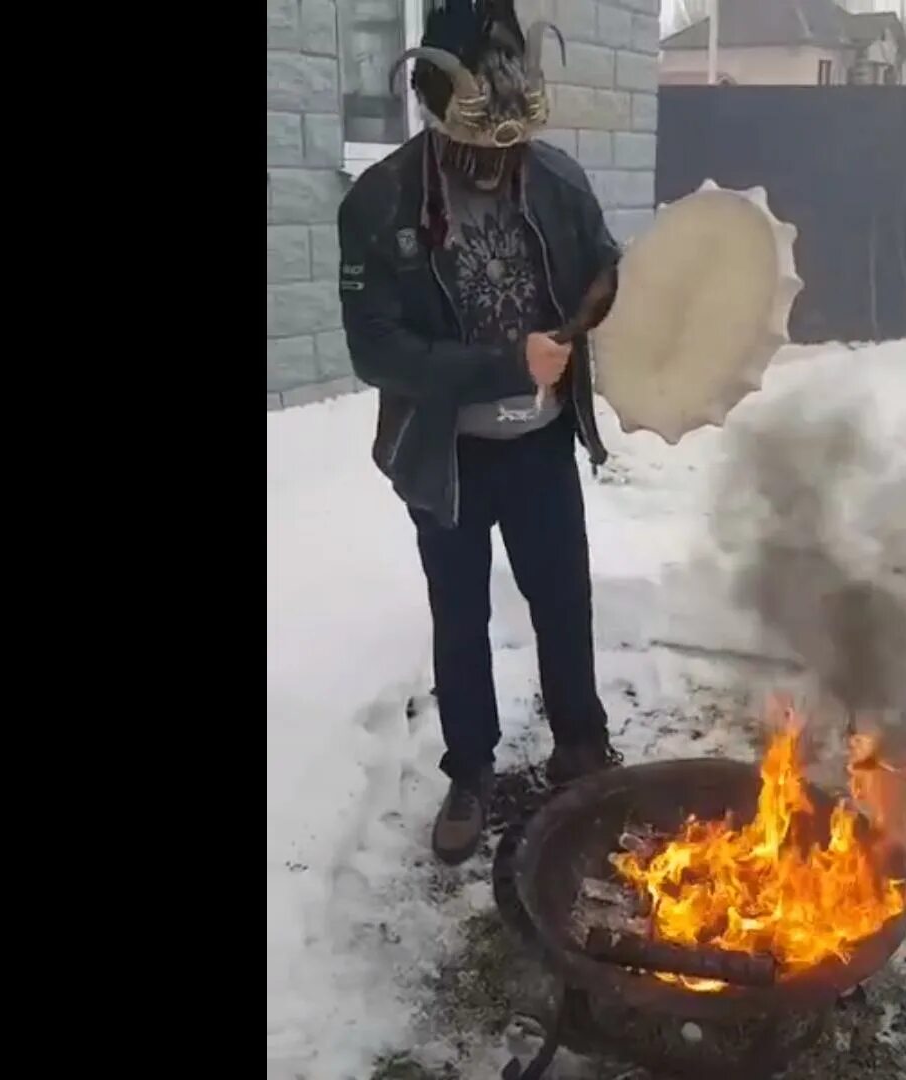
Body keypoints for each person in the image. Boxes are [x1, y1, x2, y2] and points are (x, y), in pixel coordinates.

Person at [337, 0, 622, 864]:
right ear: (436, 112)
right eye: (485, 147)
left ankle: (580, 744)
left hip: (539, 450)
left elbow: (604, 266)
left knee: (563, 599)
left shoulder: (559, 181)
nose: (502, 162)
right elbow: (376, 348)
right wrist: (510, 363)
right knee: (458, 617)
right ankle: (471, 771)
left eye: (514, 145)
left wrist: (586, 321)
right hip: (446, 456)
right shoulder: (382, 201)